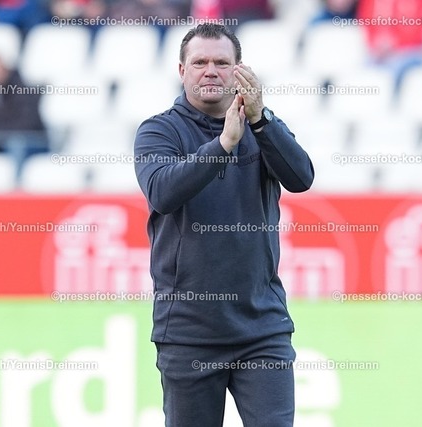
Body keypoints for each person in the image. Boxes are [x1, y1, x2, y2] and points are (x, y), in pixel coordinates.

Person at [134, 23, 314, 427]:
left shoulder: (262, 126)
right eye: (200, 62)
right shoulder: (158, 131)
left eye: (221, 62)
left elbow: (301, 178)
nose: (210, 71)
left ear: (239, 70)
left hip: (262, 327)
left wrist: (261, 121)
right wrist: (222, 146)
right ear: (182, 70)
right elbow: (162, 192)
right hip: (188, 333)